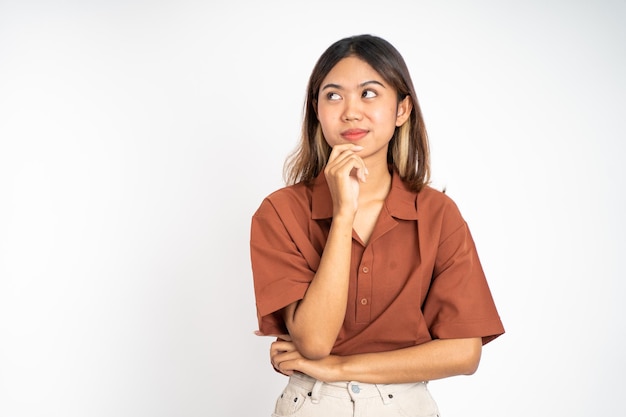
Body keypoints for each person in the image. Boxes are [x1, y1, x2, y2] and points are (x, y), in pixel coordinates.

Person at [250, 34, 504, 417]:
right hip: (315, 403)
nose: (351, 111)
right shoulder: (280, 211)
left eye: (369, 94)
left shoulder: (438, 214)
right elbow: (316, 342)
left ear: (402, 110)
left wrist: (341, 368)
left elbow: (465, 352)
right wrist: (343, 214)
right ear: (316, 111)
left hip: (404, 405)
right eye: (333, 96)